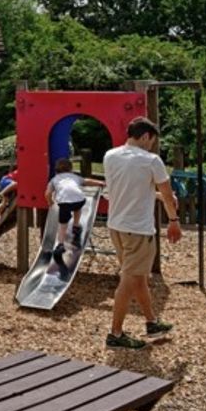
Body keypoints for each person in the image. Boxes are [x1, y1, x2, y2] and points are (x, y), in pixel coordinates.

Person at [102, 117, 181, 350]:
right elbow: (168, 194)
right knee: (129, 280)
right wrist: (174, 221)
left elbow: (127, 188)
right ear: (146, 136)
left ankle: (151, 322)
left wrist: (154, 195)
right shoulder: (151, 161)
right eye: (152, 141)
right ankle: (115, 334)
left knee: (137, 277)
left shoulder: (110, 156)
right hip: (138, 229)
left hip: (116, 225)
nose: (151, 146)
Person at [46, 158, 104, 255]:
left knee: (63, 225)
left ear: (56, 170)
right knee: (77, 207)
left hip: (64, 203)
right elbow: (87, 181)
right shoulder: (74, 177)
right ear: (71, 169)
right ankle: (76, 227)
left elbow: (47, 193)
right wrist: (100, 183)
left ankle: (60, 245)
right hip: (79, 200)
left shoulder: (54, 180)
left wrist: (50, 202)